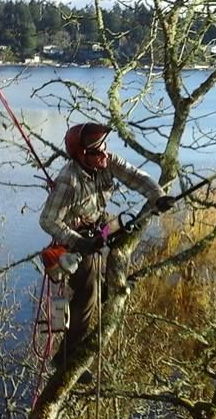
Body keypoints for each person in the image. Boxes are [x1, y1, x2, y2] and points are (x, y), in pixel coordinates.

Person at [39, 122, 174, 377]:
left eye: (104, 148)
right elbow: (47, 220)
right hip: (74, 238)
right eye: (96, 151)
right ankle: (66, 358)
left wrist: (158, 196)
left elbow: (136, 177)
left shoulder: (107, 160)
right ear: (81, 155)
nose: (104, 154)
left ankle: (106, 290)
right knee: (87, 292)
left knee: (119, 235)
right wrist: (79, 243)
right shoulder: (69, 180)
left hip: (99, 225)